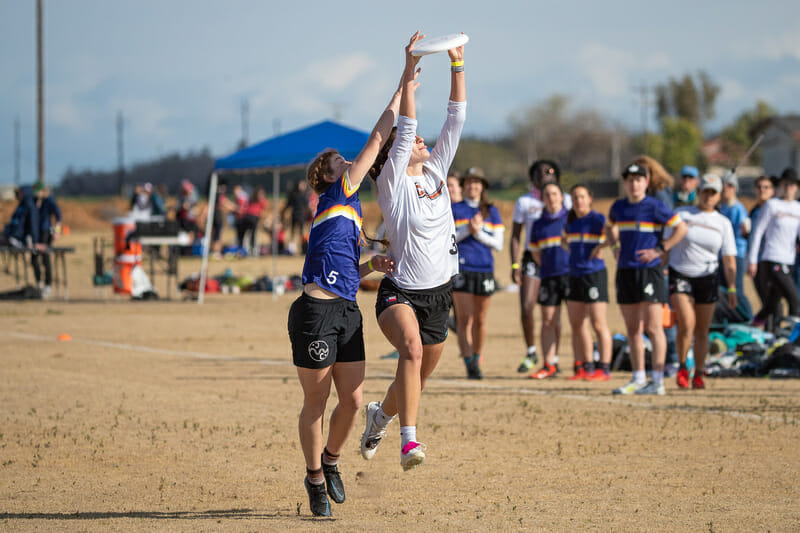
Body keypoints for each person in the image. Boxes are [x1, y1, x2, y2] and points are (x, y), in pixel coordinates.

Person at [287, 50, 406, 516]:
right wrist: (403, 84)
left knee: (354, 401)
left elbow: (348, 272)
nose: (349, 161)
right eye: (340, 160)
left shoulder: (350, 214)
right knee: (316, 401)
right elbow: (378, 138)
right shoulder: (337, 192)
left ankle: (331, 462)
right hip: (315, 311)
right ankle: (314, 477)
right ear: (327, 175)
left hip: (345, 309)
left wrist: (374, 265)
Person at [360, 32, 466, 471]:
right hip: (399, 291)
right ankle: (409, 442)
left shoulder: (437, 170)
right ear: (394, 157)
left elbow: (456, 120)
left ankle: (380, 417)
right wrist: (407, 71)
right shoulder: (392, 184)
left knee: (415, 378)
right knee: (412, 352)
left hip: (440, 293)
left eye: (424, 138)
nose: (422, 140)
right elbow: (404, 131)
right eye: (413, 140)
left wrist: (457, 67)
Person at [606, 161, 687, 395]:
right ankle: (638, 377)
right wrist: (614, 247)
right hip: (626, 271)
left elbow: (680, 229)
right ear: (625, 183)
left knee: (653, 327)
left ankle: (658, 380)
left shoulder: (655, 206)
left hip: (649, 271)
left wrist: (661, 249)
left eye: (639, 180)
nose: (634, 184)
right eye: (630, 180)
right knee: (633, 329)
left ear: (646, 182)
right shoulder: (618, 207)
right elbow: (608, 227)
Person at [665, 174, 737, 390]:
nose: (708, 196)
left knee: (702, 330)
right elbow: (667, 243)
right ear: (699, 192)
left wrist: (732, 287)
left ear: (718, 196)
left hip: (708, 277)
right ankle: (681, 367)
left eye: (713, 193)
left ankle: (698, 372)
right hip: (681, 274)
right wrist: (659, 269)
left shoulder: (722, 223)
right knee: (687, 323)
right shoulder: (682, 214)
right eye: (705, 191)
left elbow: (729, 258)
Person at [510, 159, 572, 374]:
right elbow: (516, 235)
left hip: (558, 257)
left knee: (554, 313)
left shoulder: (568, 200)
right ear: (533, 177)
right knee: (527, 305)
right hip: (532, 256)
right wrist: (515, 263)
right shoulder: (524, 202)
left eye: (550, 170)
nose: (545, 174)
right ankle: (531, 351)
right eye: (540, 171)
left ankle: (553, 358)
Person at [451, 167, 504, 379]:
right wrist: (467, 231)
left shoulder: (492, 211)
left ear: (483, 187)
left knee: (481, 319)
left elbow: (498, 244)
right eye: (469, 182)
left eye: (477, 183)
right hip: (462, 268)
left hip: (484, 269)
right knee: (464, 319)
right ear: (464, 187)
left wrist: (479, 232)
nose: (473, 186)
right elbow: (448, 238)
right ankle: (468, 363)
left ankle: (477, 356)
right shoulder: (454, 209)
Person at [564, 184, 612, 381]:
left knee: (598, 324)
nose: (578, 201)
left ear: (590, 199)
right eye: (575, 197)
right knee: (577, 324)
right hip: (575, 275)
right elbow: (563, 240)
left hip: (594, 275)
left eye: (582, 197)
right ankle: (587, 366)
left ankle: (605, 368)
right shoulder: (571, 221)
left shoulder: (598, 219)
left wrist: (602, 246)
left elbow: (613, 236)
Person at [748, 168, 800, 331]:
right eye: (785, 184)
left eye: (792, 184)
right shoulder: (772, 205)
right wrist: (752, 260)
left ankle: (757, 324)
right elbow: (757, 232)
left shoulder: (798, 208)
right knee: (794, 299)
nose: (788, 187)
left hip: (789, 259)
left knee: (772, 303)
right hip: (772, 257)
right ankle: (794, 337)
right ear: (780, 185)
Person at [527, 182, 569, 379]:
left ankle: (582, 364)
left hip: (572, 275)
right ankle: (549, 363)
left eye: (554, 194)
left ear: (561, 196)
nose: (551, 198)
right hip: (549, 276)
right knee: (548, 320)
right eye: (547, 195)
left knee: (578, 323)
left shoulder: (571, 218)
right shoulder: (538, 224)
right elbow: (536, 254)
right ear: (542, 199)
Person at [718, 172, 752, 319]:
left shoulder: (738, 208)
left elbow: (746, 228)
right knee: (723, 290)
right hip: (722, 254)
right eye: (724, 185)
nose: (726, 188)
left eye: (730, 185)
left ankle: (749, 318)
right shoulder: (722, 207)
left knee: (736, 290)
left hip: (735, 254)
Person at [748, 175, 775, 308]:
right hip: (756, 260)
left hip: (770, 259)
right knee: (763, 298)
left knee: (772, 299)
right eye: (759, 187)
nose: (762, 190)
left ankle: (774, 328)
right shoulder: (754, 211)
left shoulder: (776, 210)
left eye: (766, 187)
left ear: (772, 190)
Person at [32, 182, 62, 299]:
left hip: (46, 233)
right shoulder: (34, 202)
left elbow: (59, 217)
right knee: (34, 258)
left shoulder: (49, 201)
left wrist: (57, 232)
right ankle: (39, 283)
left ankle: (48, 285)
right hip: (36, 234)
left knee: (45, 258)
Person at [283, 180, 312, 254]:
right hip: (295, 215)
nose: (303, 186)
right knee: (293, 232)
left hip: (301, 215)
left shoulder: (303, 195)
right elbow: (288, 205)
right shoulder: (295, 195)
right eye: (301, 185)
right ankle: (292, 249)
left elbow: (306, 207)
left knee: (301, 233)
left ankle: (302, 248)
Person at [240, 187, 268, 255]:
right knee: (252, 234)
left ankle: (245, 249)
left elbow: (245, 207)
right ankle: (252, 250)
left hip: (247, 217)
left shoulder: (251, 199)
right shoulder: (261, 200)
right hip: (253, 218)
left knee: (247, 234)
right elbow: (264, 208)